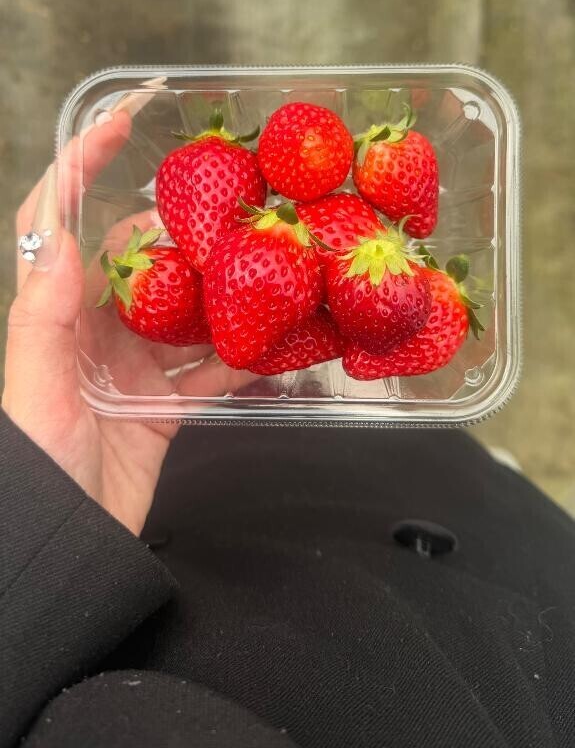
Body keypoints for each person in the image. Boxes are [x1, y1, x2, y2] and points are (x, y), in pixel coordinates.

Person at [1, 105, 574, 748]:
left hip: (178, 515)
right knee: (463, 469)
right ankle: (487, 465)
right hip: (499, 592)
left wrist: (44, 524)